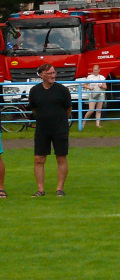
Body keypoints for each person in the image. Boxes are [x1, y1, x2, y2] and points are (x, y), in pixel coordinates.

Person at [29, 63, 73, 197]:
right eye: (49, 74)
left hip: (60, 128)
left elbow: (68, 110)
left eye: (54, 73)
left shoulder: (62, 90)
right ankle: (40, 190)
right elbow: (34, 109)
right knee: (39, 159)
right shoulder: (35, 91)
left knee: (61, 157)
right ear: (42, 75)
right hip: (42, 129)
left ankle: (60, 189)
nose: (53, 76)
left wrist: (59, 121)